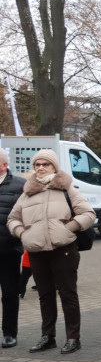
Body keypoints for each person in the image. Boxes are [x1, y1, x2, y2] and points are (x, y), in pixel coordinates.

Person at [7, 150, 95, 355]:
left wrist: (69, 228)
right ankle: (48, 336)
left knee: (68, 294)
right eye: (37, 164)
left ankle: (73, 337)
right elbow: (12, 218)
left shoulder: (66, 188)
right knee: (45, 296)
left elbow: (88, 213)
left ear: (54, 167)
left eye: (45, 164)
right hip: (37, 251)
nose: (40, 168)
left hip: (63, 250)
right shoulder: (27, 192)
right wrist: (23, 234)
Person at [0, 148, 26, 348]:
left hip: (8, 250)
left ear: (4, 165)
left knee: (9, 293)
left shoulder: (20, 185)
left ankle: (9, 333)